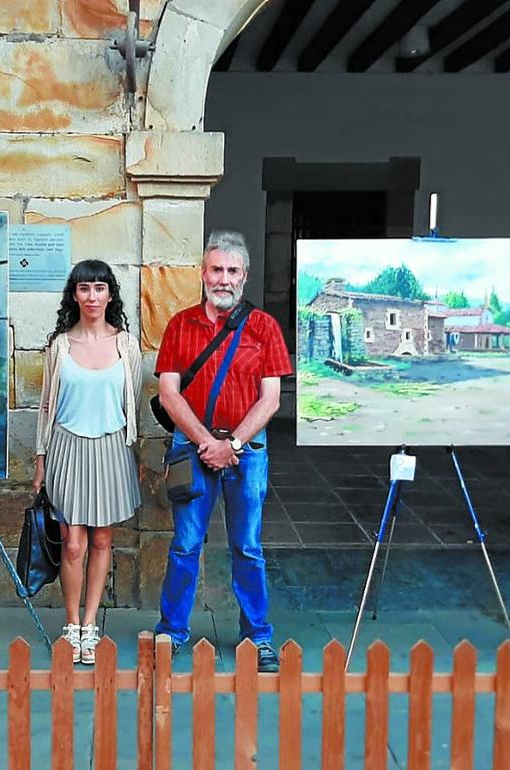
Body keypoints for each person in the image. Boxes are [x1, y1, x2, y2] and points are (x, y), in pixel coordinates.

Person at [153, 230, 292, 673]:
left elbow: (271, 400)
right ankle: (171, 631)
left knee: (247, 547)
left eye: (233, 271)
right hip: (192, 449)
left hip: (247, 453)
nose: (224, 279)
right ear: (203, 273)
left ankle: (258, 635)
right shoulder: (180, 325)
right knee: (185, 545)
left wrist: (230, 445)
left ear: (244, 276)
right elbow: (169, 393)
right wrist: (205, 443)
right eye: (217, 269)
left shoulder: (264, 328)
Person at [34, 259, 142, 665]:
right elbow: (46, 407)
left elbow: (131, 403)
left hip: (111, 448)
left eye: (99, 288)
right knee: (73, 543)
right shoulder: (60, 347)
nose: (92, 296)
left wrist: (132, 453)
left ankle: (91, 623)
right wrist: (41, 460)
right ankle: (71, 623)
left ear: (110, 295)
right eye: (84, 288)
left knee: (101, 541)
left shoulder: (127, 345)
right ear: (74, 296)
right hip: (66, 448)